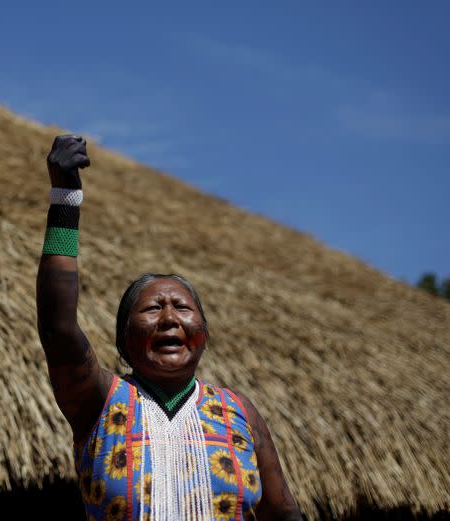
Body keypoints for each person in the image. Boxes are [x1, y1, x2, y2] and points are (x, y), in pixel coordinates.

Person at [36, 135, 303, 521]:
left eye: (182, 307)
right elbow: (58, 330)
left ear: (204, 333)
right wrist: (65, 198)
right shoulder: (102, 401)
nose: (169, 318)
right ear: (125, 340)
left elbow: (284, 511)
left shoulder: (238, 413)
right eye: (151, 309)